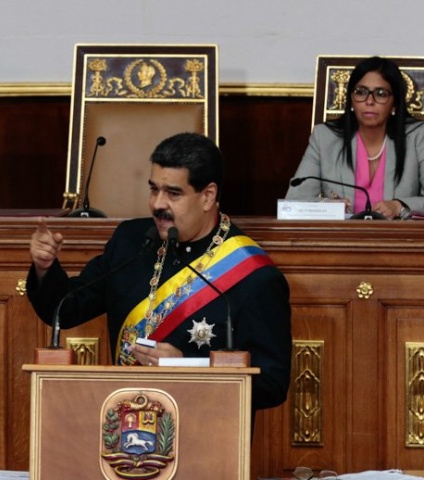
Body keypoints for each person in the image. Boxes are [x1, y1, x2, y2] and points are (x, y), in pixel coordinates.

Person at [27, 132, 292, 412]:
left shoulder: (253, 275)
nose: (157, 204)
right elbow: (65, 310)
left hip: (205, 430)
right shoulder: (131, 242)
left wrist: (187, 368)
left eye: (173, 193)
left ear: (207, 196)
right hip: (123, 428)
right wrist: (45, 268)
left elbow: (272, 383)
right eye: (154, 189)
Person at [286, 56, 424, 219]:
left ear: (394, 103)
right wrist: (327, 206)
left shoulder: (417, 136)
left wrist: (399, 206)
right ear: (351, 100)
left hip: (398, 234)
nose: (369, 101)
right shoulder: (324, 137)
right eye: (361, 92)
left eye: (381, 94)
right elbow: (294, 201)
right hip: (341, 234)